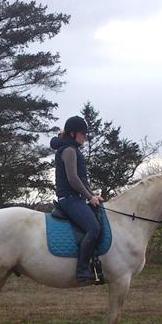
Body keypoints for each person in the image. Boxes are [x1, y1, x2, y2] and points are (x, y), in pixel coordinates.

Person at [51, 115, 103, 282]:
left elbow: (81, 179)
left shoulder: (71, 148)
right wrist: (89, 197)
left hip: (76, 198)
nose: (85, 137)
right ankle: (82, 270)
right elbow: (73, 179)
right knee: (94, 229)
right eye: (83, 133)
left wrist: (93, 195)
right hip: (70, 199)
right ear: (73, 134)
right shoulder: (69, 151)